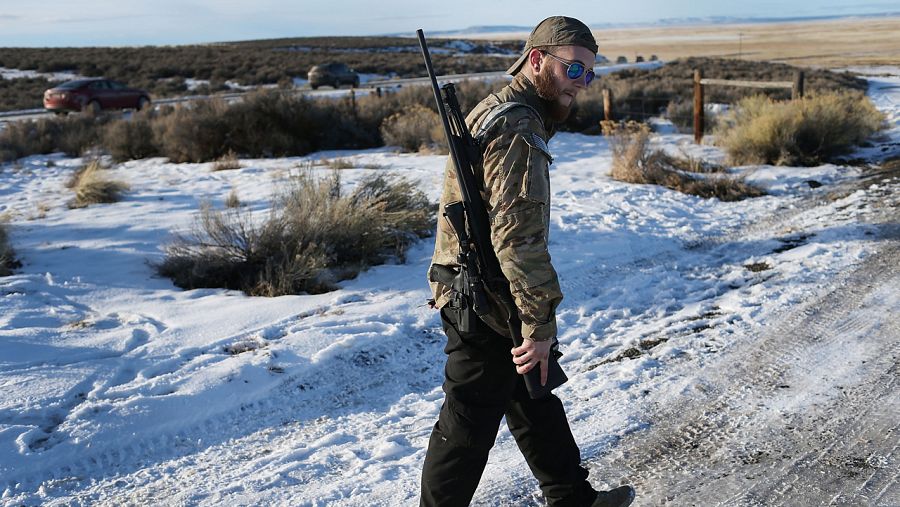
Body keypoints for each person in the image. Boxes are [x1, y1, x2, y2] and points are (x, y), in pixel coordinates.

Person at [421, 15, 636, 507]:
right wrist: (538, 324)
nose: (580, 84)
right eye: (572, 70)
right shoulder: (518, 126)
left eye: (588, 74)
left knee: (533, 393)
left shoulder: (506, 110)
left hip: (487, 287)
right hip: (483, 296)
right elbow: (519, 239)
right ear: (537, 60)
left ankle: (572, 498)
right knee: (468, 421)